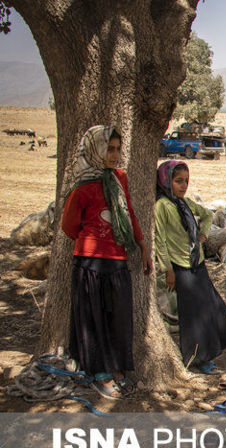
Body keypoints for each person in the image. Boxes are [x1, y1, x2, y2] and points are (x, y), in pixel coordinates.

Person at [61, 125, 151, 400]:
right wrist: (94, 239)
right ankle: (100, 372)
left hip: (117, 260)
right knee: (93, 318)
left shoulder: (119, 178)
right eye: (108, 149)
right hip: (89, 263)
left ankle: (117, 368)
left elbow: (129, 213)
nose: (114, 154)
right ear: (95, 150)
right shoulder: (82, 187)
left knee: (119, 318)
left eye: (117, 149)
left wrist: (143, 246)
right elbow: (69, 226)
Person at [154, 160, 226, 375]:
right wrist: (168, 269)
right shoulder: (162, 206)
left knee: (209, 306)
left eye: (186, 181)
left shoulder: (184, 204)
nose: (183, 186)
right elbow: (160, 239)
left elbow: (206, 214)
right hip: (181, 267)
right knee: (193, 313)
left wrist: (202, 233)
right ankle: (198, 357)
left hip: (197, 262)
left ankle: (212, 350)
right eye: (178, 181)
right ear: (166, 181)